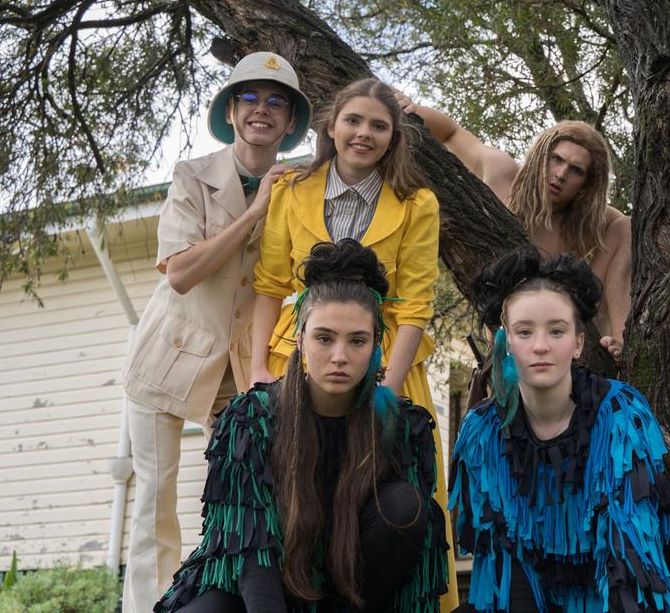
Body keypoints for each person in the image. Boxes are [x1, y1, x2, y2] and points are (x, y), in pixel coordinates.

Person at [451, 247, 670, 612]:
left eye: (557, 331)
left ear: (578, 343)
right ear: (506, 342)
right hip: (540, 597)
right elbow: (505, 560)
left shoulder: (617, 412)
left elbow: (628, 552)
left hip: (624, 584)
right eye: (524, 332)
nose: (541, 346)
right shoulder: (482, 431)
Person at [249, 78, 458, 611]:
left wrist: (382, 392)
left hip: (388, 369)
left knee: (388, 498)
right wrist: (257, 371)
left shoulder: (417, 204)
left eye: (378, 126)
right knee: (292, 494)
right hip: (294, 362)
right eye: (354, 121)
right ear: (332, 126)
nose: (364, 133)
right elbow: (271, 285)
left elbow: (414, 305)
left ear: (393, 138)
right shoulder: (292, 190)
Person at [156, 240, 448, 613]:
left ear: (377, 346)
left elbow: (410, 560)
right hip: (254, 592)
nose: (339, 356)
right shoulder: (252, 420)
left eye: (357, 340)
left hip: (353, 597)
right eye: (324, 338)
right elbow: (251, 557)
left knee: (403, 504)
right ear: (300, 338)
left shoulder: (402, 427)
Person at [120, 51, 310, 613]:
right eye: (249, 97)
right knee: (155, 498)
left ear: (290, 121)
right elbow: (179, 273)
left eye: (277, 101)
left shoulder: (298, 188)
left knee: (236, 493)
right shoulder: (192, 176)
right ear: (231, 109)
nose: (262, 110)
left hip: (245, 368)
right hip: (167, 357)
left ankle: (210, 602)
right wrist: (254, 214)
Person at [397, 96, 631, 360]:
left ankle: (623, 344)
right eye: (556, 159)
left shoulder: (583, 222)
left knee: (626, 226)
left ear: (586, 185)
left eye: (575, 170)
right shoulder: (503, 174)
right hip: (506, 333)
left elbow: (626, 233)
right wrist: (412, 110)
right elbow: (451, 133)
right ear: (542, 155)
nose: (561, 173)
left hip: (566, 322)